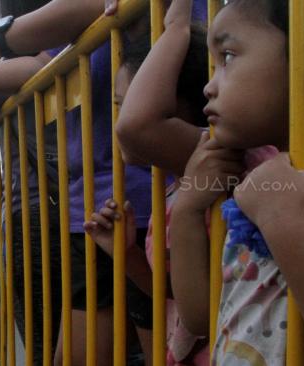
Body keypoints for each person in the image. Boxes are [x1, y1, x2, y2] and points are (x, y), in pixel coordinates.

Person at [169, 0, 304, 364]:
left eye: (229, 56)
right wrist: (189, 208)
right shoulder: (262, 187)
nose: (209, 86)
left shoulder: (279, 199)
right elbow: (202, 317)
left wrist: (284, 220)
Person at [84, 1, 211, 363]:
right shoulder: (173, 190)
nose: (120, 122)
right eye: (119, 105)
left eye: (130, 104)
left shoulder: (218, 158)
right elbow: (177, 294)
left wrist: (176, 27)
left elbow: (136, 128)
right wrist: (127, 254)